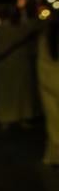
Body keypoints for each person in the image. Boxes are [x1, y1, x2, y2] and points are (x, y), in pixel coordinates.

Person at [38, 14, 59, 166]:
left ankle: (54, 154)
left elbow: (41, 64)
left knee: (53, 121)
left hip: (49, 85)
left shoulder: (45, 41)